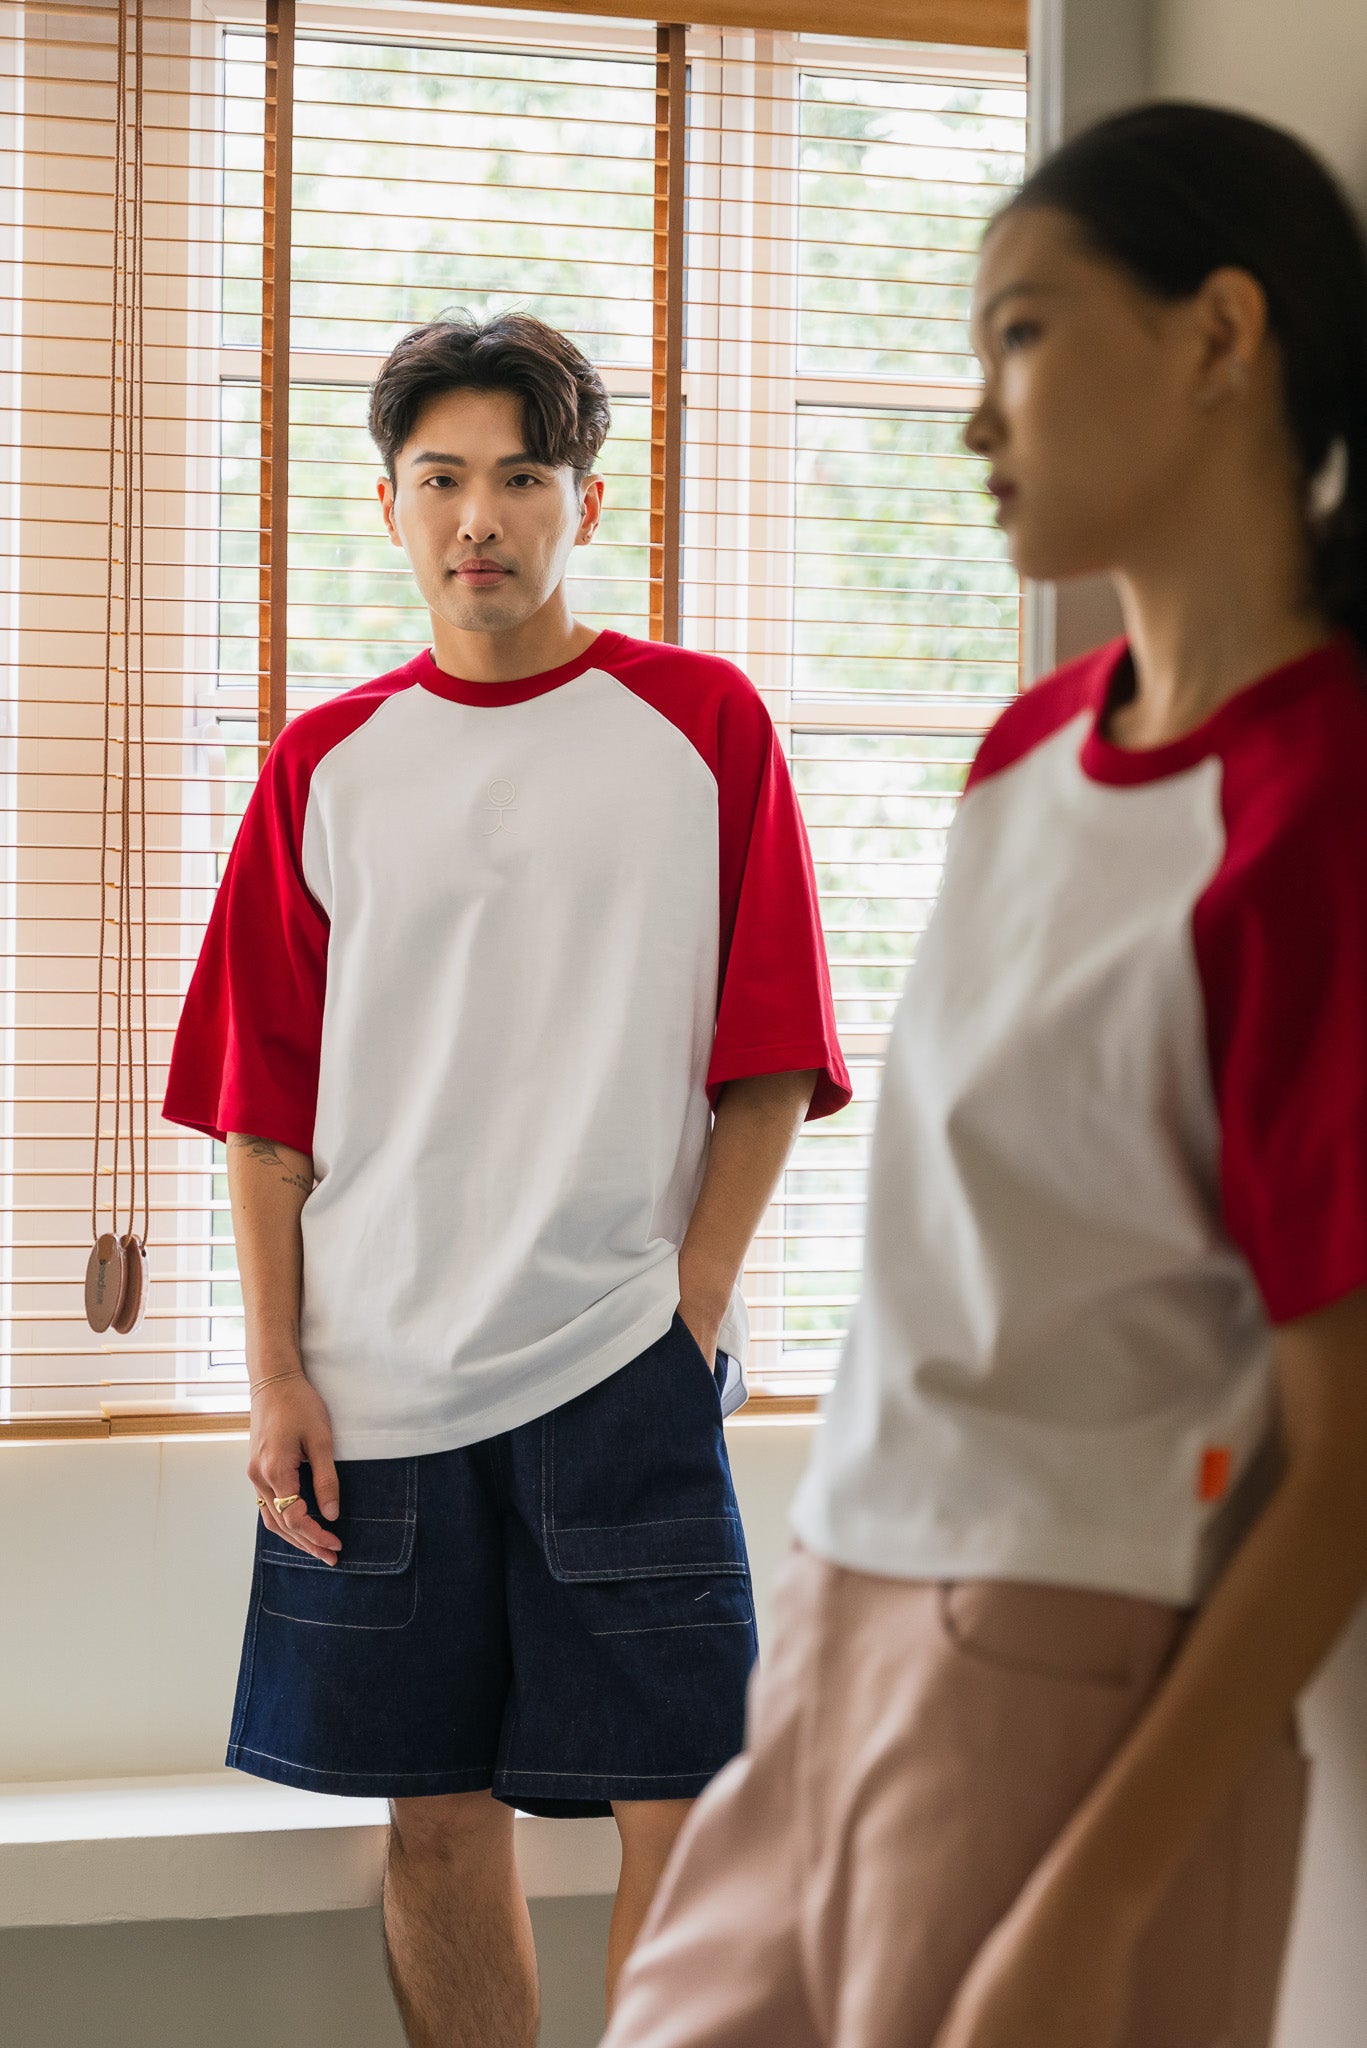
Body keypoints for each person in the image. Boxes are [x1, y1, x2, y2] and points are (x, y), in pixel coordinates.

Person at [604, 102, 1367, 2048]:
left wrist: (1088, 1910)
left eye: (1021, 333)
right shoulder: (1031, 748)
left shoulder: (1317, 812)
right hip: (843, 1601)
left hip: (1069, 1665)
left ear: (1218, 337)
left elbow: (1344, 1457)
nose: (974, 419)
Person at [163, 311, 849, 2048]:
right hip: (375, 1380)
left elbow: (767, 1061)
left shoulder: (704, 728)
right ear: (388, 508)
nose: (481, 517)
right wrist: (277, 1375)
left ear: (585, 505)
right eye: (443, 479)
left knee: (685, 1809)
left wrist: (685, 1310)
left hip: (622, 1357)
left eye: (520, 478)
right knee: (435, 1814)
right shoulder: (324, 766)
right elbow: (265, 1116)